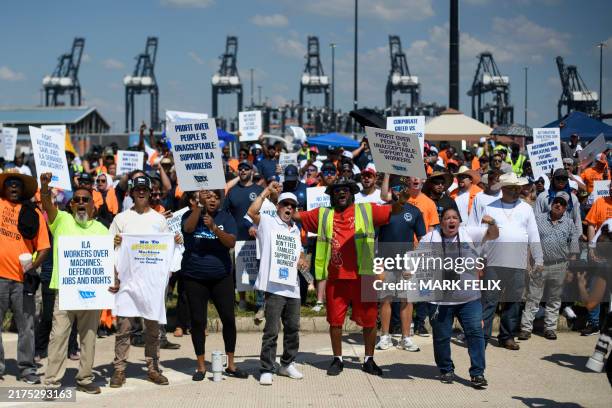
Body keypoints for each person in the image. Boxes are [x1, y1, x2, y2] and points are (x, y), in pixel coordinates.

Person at [295, 177, 408, 377]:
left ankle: (368, 359)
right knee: (335, 322)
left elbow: (395, 210)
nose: (341, 192)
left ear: (352, 194)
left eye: (346, 190)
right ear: (331, 195)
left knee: (370, 320)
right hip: (336, 278)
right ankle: (337, 359)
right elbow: (295, 217)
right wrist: (276, 200)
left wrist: (401, 199)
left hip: (363, 276)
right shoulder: (322, 214)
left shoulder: (366, 210)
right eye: (337, 190)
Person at [40, 172, 110, 394]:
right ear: (70, 205)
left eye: (85, 200)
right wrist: (44, 187)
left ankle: (85, 379)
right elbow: (46, 205)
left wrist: (112, 281)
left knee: (88, 339)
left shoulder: (102, 230)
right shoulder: (61, 220)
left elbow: (108, 261)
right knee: (58, 337)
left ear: (93, 206)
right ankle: (51, 382)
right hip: (66, 292)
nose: (81, 203)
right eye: (77, 200)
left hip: (92, 292)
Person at [108, 176, 176, 388]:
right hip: (128, 283)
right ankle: (119, 370)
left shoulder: (159, 220)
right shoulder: (121, 219)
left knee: (153, 329)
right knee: (124, 328)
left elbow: (167, 250)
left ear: (150, 192)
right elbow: (107, 249)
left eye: (144, 189)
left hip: (151, 284)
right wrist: (114, 274)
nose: (140, 192)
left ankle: (153, 368)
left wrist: (176, 242)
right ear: (131, 192)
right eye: (137, 189)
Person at [420, 208, 499, 388]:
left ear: (459, 221)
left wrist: (492, 223)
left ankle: (477, 373)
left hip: (469, 298)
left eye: (455, 218)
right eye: (447, 218)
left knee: (476, 334)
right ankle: (446, 369)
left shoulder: (468, 232)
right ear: (441, 222)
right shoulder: (430, 238)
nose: (451, 221)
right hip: (440, 300)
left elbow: (493, 235)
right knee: (441, 337)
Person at [181, 190, 248, 381]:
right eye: (208, 196)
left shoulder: (226, 217)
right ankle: (201, 366)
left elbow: (231, 242)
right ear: (201, 198)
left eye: (216, 197)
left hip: (221, 277)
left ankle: (231, 365)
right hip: (195, 277)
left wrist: (215, 229)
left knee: (228, 319)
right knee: (198, 321)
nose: (212, 200)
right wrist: (200, 210)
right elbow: (188, 229)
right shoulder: (190, 214)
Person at [247, 187, 307, 385]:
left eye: (292, 206)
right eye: (286, 204)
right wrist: (264, 192)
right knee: (271, 331)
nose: (289, 208)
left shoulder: (296, 229)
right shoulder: (268, 221)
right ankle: (266, 368)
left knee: (293, 329)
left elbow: (299, 252)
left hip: (293, 287)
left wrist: (302, 259)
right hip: (273, 287)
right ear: (278, 206)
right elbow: (251, 213)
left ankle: (287, 364)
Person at [479, 173, 544, 350]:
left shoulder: (526, 209)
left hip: (517, 263)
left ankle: (506, 336)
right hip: (493, 262)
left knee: (514, 301)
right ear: (503, 189)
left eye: (517, 188)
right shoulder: (490, 207)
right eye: (512, 188)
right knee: (489, 301)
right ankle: (482, 337)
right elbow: (482, 235)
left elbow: (534, 235)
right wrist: (479, 259)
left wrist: (538, 258)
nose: (516, 191)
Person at [0, 171, 50, 384]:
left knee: (26, 326)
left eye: (17, 185)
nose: (13, 188)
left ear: (23, 190)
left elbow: (44, 247)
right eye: (9, 184)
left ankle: (27, 368)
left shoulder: (33, 212)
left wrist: (32, 267)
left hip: (23, 280)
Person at [518, 191, 580, 341]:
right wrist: (528, 264)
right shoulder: (538, 219)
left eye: (563, 203)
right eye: (556, 202)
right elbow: (529, 243)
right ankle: (526, 329)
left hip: (560, 265)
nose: (558, 205)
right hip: (539, 264)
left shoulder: (569, 223)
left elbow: (574, 248)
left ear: (566, 208)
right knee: (533, 297)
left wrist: (570, 269)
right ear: (551, 203)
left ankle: (550, 329)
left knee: (554, 299)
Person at [375, 179, 426, 352]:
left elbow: (422, 239)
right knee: (385, 299)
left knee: (406, 300)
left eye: (401, 188)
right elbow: (374, 238)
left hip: (406, 263)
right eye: (395, 188)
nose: (399, 191)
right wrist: (378, 262)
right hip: (386, 262)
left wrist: (414, 261)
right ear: (391, 191)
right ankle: (384, 336)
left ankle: (406, 338)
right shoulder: (383, 210)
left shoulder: (415, 211)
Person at [223, 160, 264, 310]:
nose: (243, 171)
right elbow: (225, 213)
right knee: (240, 270)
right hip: (237, 237)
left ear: (252, 172)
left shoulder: (260, 190)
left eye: (246, 169)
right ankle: (242, 300)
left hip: (258, 237)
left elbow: (266, 212)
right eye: (240, 169)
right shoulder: (232, 192)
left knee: (259, 269)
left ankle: (260, 301)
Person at [535, 168, 581, 232]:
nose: (561, 181)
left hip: (567, 236)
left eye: (564, 178)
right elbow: (537, 218)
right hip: (546, 235)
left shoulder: (573, 198)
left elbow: (577, 221)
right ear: (553, 179)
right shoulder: (542, 196)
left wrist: (577, 238)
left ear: (567, 180)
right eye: (558, 178)